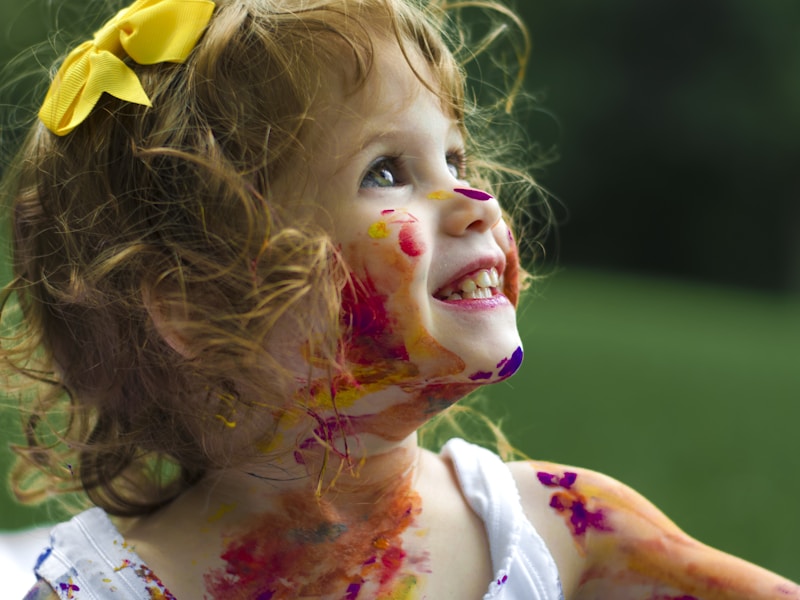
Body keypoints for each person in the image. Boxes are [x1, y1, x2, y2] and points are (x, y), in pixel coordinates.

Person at [1, 0, 798, 598]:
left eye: (455, 157)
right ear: (197, 305)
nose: (475, 200)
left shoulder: (559, 529)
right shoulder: (100, 588)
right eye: (387, 171)